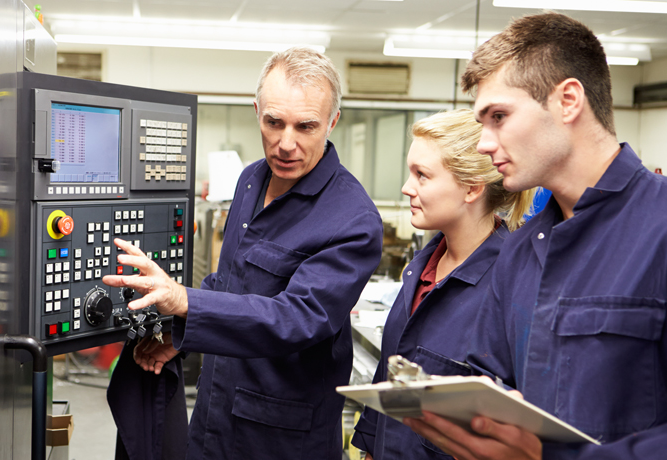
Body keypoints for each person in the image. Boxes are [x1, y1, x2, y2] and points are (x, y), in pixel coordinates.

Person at [401, 12, 667, 459]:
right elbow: (494, 381)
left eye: (499, 116)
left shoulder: (658, 226)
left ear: (567, 101)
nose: (484, 143)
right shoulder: (522, 249)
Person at [103, 47, 384, 459]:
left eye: (305, 126)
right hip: (215, 416)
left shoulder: (353, 220)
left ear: (332, 122)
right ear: (257, 112)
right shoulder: (251, 180)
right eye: (274, 123)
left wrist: (183, 300)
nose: (286, 143)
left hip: (282, 438)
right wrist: (181, 336)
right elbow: (229, 281)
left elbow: (296, 319)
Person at [350, 109, 534, 459]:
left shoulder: (513, 285)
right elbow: (388, 381)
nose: (407, 188)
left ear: (471, 188)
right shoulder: (421, 268)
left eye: (422, 176)